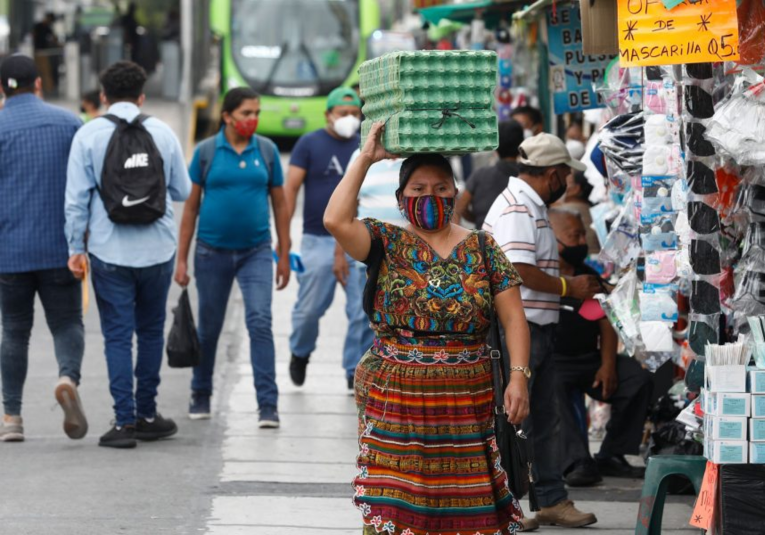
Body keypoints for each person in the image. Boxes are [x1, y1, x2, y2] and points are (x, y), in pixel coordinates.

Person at [325, 122, 532, 535]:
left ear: (455, 194)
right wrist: (366, 158)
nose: (430, 197)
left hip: (466, 396)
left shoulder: (482, 246)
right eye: (417, 190)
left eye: (440, 188)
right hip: (394, 393)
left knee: (463, 500)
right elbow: (334, 219)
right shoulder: (385, 241)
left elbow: (513, 317)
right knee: (398, 502)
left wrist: (519, 377)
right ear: (401, 199)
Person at [65, 61, 191, 449]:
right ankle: (148, 414)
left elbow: (76, 202)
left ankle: (123, 423)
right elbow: (182, 190)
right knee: (150, 331)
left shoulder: (89, 135)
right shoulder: (163, 132)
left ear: (102, 97)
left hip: (109, 251)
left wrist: (75, 249)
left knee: (118, 336)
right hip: (158, 250)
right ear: (142, 96)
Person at [483, 133, 601, 529]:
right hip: (523, 329)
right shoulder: (519, 208)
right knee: (514, 418)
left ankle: (550, 499)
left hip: (539, 329)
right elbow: (517, 269)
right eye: (565, 176)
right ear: (552, 174)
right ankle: (503, 503)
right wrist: (570, 287)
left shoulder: (528, 204)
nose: (567, 183)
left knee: (544, 417)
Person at [174, 87, 290, 427]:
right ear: (227, 116)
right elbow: (191, 207)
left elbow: (280, 205)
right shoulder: (207, 152)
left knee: (260, 323)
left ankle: (267, 404)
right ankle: (201, 392)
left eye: (256, 113)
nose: (252, 120)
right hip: (211, 252)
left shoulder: (266, 151)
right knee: (209, 329)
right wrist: (182, 259)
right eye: (246, 114)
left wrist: (284, 252)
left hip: (256, 251)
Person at [0, 54, 87, 443]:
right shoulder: (70, 123)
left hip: (10, 252)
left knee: (14, 332)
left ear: (1, 88)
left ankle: (12, 417)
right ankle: (67, 376)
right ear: (39, 83)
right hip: (60, 248)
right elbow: (86, 188)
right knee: (66, 323)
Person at [550, 208, 652, 487]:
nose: (582, 241)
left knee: (638, 378)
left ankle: (612, 453)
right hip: (553, 362)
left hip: (589, 360)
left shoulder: (588, 276)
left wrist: (608, 365)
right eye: (575, 236)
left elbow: (604, 322)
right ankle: (577, 462)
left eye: (583, 234)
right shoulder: (541, 276)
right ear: (553, 240)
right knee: (554, 391)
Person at [284, 87, 365, 390]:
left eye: (355, 113)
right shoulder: (309, 143)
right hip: (316, 238)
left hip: (357, 241)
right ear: (328, 115)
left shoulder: (364, 146)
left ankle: (354, 369)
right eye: (343, 113)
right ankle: (300, 351)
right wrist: (285, 234)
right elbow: (290, 188)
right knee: (309, 309)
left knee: (361, 311)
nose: (350, 119)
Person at [456, 119, 524, 229]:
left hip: (484, 240)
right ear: (521, 145)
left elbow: (461, 208)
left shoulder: (479, 175)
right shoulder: (527, 177)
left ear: (495, 146)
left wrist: (478, 219)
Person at [560, 171, 600, 255]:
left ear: (576, 189)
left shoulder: (566, 211)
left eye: (568, 182)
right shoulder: (589, 208)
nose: (562, 183)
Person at [32, 12, 60, 94]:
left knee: (43, 71)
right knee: (44, 71)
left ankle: (45, 88)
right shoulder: (41, 26)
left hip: (40, 52)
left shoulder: (45, 27)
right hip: (40, 52)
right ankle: (46, 89)